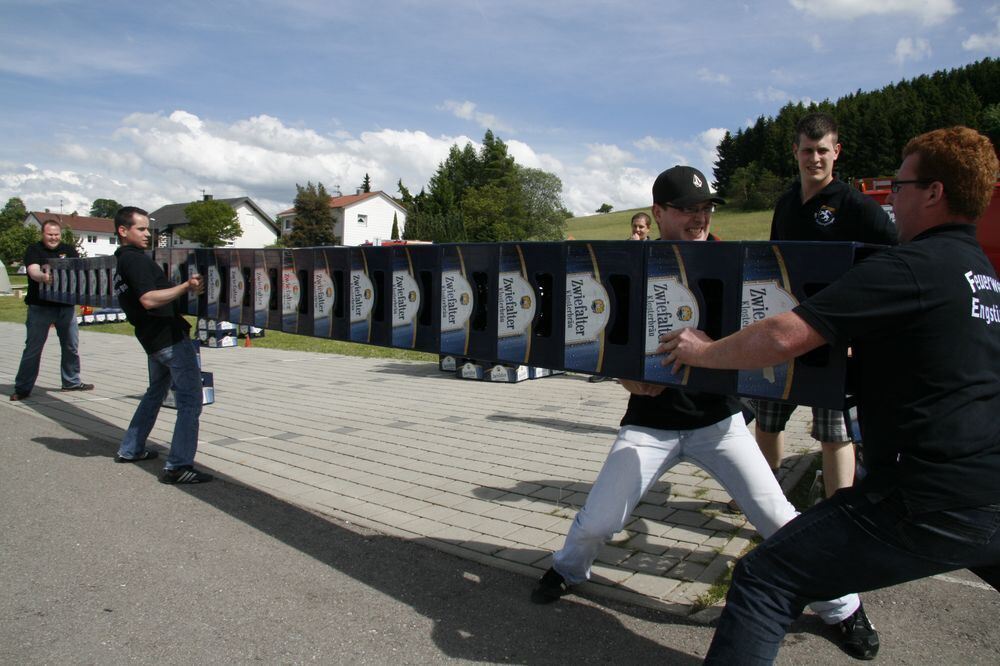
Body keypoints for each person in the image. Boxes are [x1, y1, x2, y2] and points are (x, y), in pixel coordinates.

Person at [662, 127, 1000, 664]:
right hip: (989, 489)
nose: (893, 197)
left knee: (764, 577)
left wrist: (702, 352)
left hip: (926, 495)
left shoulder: (908, 267)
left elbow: (780, 336)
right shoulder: (980, 273)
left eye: (901, 184)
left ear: (934, 193)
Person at [533, 166, 878, 659]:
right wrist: (621, 374)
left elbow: (774, 324)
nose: (699, 217)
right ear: (658, 213)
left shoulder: (734, 264)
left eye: (705, 208)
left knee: (779, 519)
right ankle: (568, 569)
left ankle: (843, 608)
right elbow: (606, 335)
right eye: (687, 209)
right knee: (597, 523)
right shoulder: (633, 264)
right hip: (649, 423)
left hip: (718, 421)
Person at [754, 112, 897, 499]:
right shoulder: (785, 206)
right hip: (785, 327)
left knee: (833, 433)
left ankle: (838, 508)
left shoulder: (855, 205)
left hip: (834, 334)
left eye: (821, 150)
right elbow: (772, 264)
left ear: (837, 152)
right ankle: (766, 498)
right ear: (795, 152)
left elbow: (893, 260)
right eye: (806, 150)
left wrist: (860, 328)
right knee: (768, 420)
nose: (813, 158)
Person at [113, 206, 213, 484]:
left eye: (148, 228)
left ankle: (131, 448)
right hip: (169, 339)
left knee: (155, 393)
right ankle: (178, 466)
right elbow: (148, 299)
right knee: (191, 401)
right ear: (123, 231)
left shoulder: (122, 262)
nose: (148, 234)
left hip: (151, 340)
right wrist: (186, 286)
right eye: (141, 229)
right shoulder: (135, 261)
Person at [11, 219, 94, 400]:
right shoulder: (34, 250)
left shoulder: (69, 249)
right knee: (33, 348)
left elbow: (78, 272)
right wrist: (43, 277)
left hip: (66, 307)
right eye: (50, 234)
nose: (53, 238)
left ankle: (71, 382)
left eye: (56, 234)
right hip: (40, 307)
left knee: (71, 346)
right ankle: (23, 388)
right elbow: (33, 271)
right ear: (43, 234)